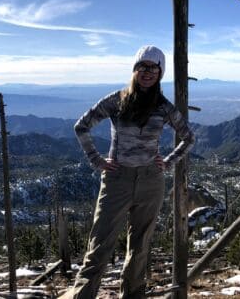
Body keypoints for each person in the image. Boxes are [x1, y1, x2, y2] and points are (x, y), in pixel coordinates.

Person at [64, 45, 195, 299]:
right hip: (117, 179)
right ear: (134, 70)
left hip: (151, 181)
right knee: (100, 243)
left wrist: (167, 163)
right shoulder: (117, 100)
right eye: (142, 67)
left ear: (160, 73)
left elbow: (189, 137)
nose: (147, 72)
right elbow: (81, 126)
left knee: (140, 245)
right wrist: (97, 160)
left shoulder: (164, 107)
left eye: (153, 68)